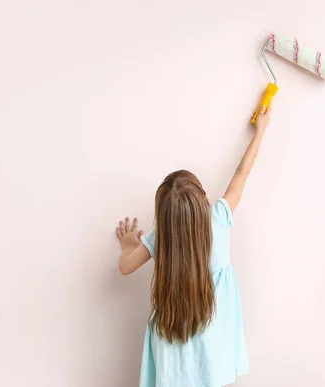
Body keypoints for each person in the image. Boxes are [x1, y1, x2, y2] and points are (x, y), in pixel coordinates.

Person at [115, 105, 272, 387]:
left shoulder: (161, 236)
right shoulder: (219, 221)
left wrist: (129, 244)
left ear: (162, 215)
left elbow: (125, 267)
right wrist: (259, 132)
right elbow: (241, 175)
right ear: (202, 198)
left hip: (172, 355)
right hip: (211, 352)